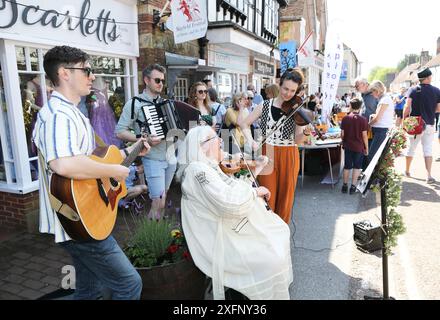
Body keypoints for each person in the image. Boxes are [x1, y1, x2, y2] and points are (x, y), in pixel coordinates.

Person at [32, 45, 150, 300]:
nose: (92, 76)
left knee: (89, 292)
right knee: (129, 285)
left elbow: (89, 159)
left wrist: (132, 150)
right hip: (76, 221)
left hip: (81, 220)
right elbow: (63, 164)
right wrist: (113, 170)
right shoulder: (57, 116)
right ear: (65, 73)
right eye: (86, 70)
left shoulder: (71, 113)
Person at [176, 125, 293, 300]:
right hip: (220, 235)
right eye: (216, 138)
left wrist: (256, 169)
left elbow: (233, 188)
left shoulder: (209, 166)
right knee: (271, 256)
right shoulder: (197, 170)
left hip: (227, 225)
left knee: (278, 233)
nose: (221, 141)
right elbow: (228, 202)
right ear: (202, 146)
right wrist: (255, 192)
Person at [237, 68, 311, 224]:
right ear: (279, 83)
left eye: (293, 91)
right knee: (266, 198)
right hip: (267, 153)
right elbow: (244, 124)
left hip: (289, 154)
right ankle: (267, 233)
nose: (288, 94)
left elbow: (298, 141)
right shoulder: (264, 105)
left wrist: (305, 134)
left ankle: (281, 235)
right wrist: (251, 141)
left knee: (286, 199)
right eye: (285, 88)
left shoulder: (297, 109)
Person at [116, 64, 175, 221]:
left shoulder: (166, 103)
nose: (160, 84)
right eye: (157, 80)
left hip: (170, 157)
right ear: (146, 80)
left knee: (163, 198)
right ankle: (150, 241)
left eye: (162, 81)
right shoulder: (134, 103)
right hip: (153, 158)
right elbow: (120, 131)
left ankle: (159, 233)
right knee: (158, 201)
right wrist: (143, 138)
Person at [403, 68, 440, 183]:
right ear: (428, 78)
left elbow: (407, 107)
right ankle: (428, 175)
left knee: (411, 148)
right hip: (429, 123)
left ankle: (407, 171)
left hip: (415, 123)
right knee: (428, 149)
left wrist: (405, 121)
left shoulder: (413, 90)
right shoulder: (437, 90)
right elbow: (438, 109)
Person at [340, 98, 368, 194]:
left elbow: (342, 134)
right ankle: (353, 187)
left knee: (347, 166)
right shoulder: (363, 120)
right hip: (359, 147)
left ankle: (344, 186)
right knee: (357, 167)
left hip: (348, 146)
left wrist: (344, 141)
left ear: (350, 106)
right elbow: (364, 136)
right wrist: (366, 148)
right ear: (360, 107)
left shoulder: (345, 118)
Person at [368, 80, 395, 162]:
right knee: (376, 155)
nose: (371, 94)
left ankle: (372, 174)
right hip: (380, 130)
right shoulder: (384, 99)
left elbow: (377, 118)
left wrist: (368, 124)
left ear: (377, 90)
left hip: (381, 130)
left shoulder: (385, 100)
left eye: (372, 91)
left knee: (372, 156)